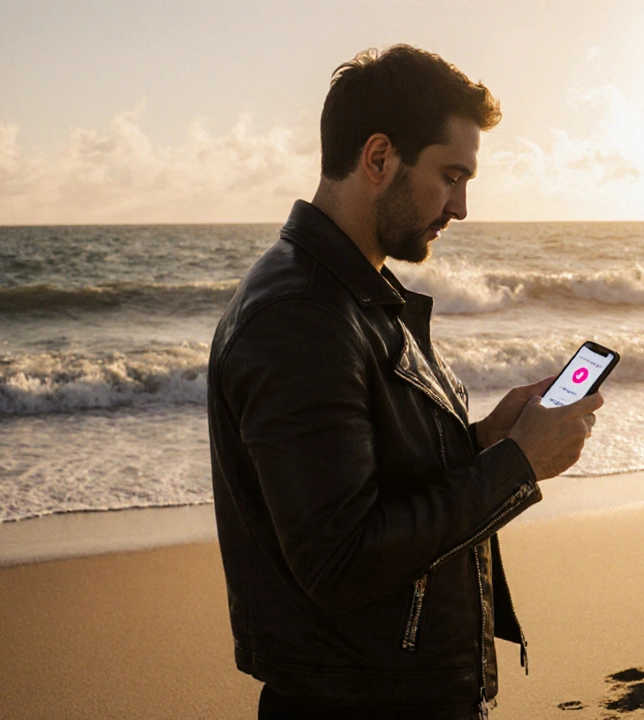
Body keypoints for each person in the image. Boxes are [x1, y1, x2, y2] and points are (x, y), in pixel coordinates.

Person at [207, 45, 603, 719]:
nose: (463, 206)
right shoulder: (298, 316)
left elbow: (382, 480)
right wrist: (516, 465)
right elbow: (342, 559)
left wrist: (483, 442)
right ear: (380, 158)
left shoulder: (359, 295)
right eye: (452, 175)